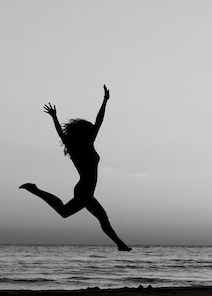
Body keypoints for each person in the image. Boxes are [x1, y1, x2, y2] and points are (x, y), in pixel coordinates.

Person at [20, 85, 132, 251]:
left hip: (85, 191)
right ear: (83, 132)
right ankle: (120, 245)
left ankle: (36, 190)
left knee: (66, 212)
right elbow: (63, 132)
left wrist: (105, 100)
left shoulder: (86, 143)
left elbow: (98, 122)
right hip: (84, 191)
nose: (92, 130)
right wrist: (54, 117)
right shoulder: (77, 147)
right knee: (100, 218)